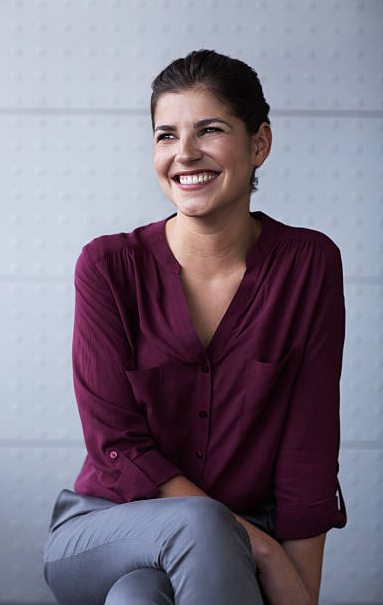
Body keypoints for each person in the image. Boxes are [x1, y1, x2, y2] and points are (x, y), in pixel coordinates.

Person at [43, 49, 347, 605]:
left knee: (138, 598)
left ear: (259, 144)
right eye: (166, 136)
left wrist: (300, 589)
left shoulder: (308, 264)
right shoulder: (108, 267)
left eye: (209, 130)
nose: (184, 154)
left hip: (233, 539)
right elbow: (117, 444)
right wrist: (264, 550)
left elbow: (310, 444)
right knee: (205, 525)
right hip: (105, 525)